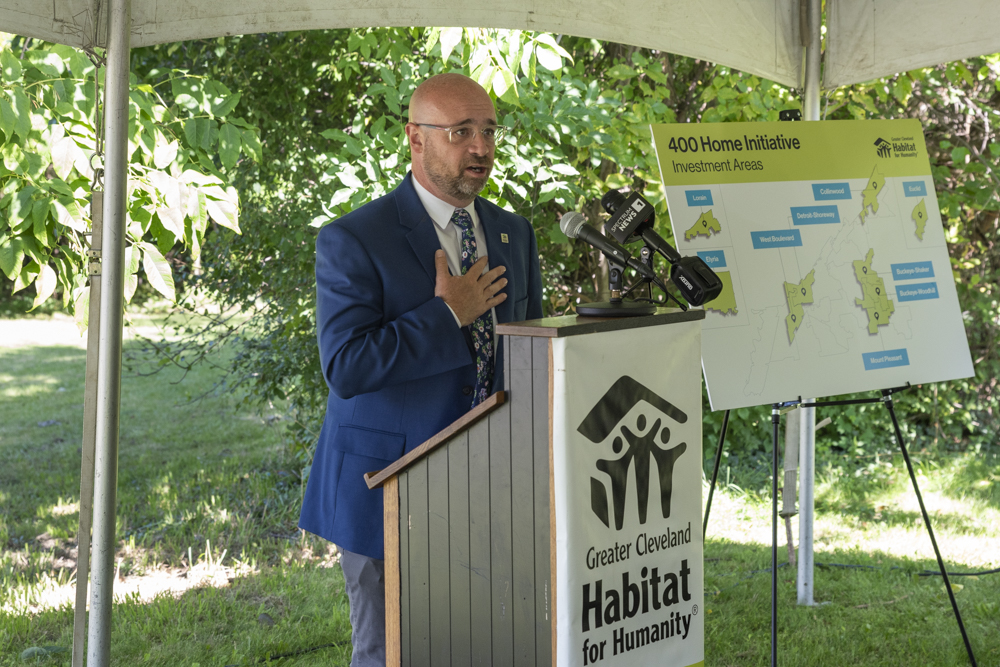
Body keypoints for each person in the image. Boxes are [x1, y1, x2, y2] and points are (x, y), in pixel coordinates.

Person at [298, 72, 544, 666]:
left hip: (491, 487)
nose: (480, 147)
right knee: (393, 653)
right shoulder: (355, 238)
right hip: (390, 490)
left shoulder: (513, 232)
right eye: (461, 132)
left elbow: (527, 353)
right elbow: (346, 366)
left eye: (489, 131)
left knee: (479, 648)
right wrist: (446, 315)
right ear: (416, 138)